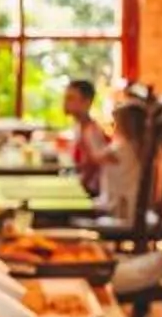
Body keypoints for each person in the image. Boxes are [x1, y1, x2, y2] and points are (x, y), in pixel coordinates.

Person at [99, 97, 151, 234]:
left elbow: (97, 157)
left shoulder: (122, 148)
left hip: (122, 209)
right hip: (133, 206)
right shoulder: (138, 147)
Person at [62, 76, 113, 194]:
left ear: (87, 102)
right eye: (65, 98)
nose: (65, 103)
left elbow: (94, 166)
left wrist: (75, 190)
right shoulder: (79, 127)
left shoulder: (91, 131)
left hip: (90, 193)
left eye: (71, 98)